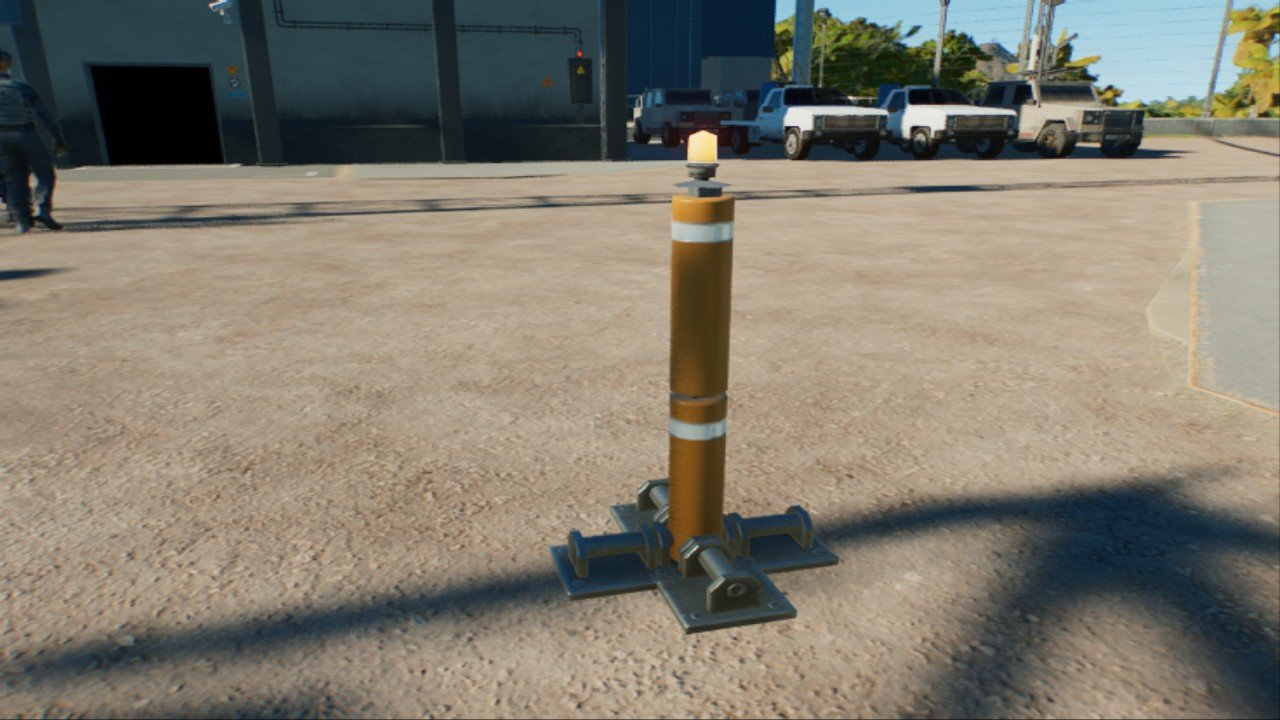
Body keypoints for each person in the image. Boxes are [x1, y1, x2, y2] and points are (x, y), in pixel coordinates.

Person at [0, 49, 66, 234]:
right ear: (8, 65)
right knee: (44, 172)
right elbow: (43, 114)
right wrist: (57, 138)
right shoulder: (20, 87)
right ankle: (41, 208)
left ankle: (22, 222)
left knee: (13, 179)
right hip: (25, 134)